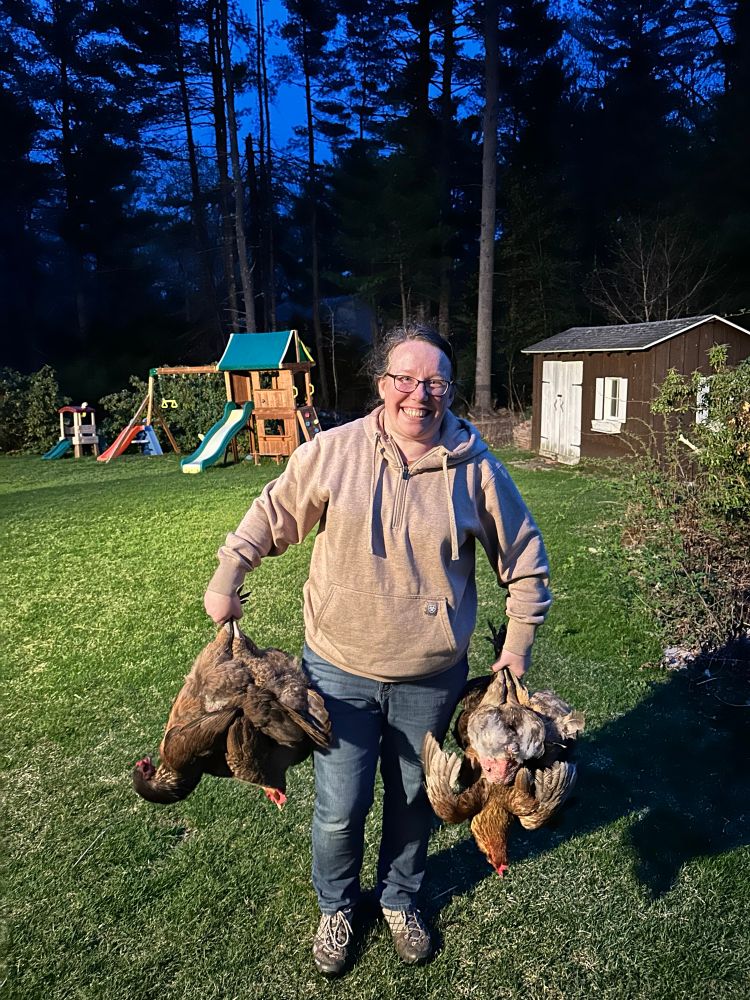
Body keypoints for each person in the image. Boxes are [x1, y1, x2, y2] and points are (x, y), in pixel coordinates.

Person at [204, 325, 551, 976]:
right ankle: (337, 908)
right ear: (382, 383)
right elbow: (272, 514)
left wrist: (519, 647)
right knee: (340, 810)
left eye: (436, 382)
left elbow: (527, 563)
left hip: (431, 676)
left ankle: (398, 898)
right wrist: (229, 575)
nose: (419, 395)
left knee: (416, 799)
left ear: (449, 390)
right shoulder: (332, 453)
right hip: (337, 671)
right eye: (405, 379)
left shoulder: (477, 467)